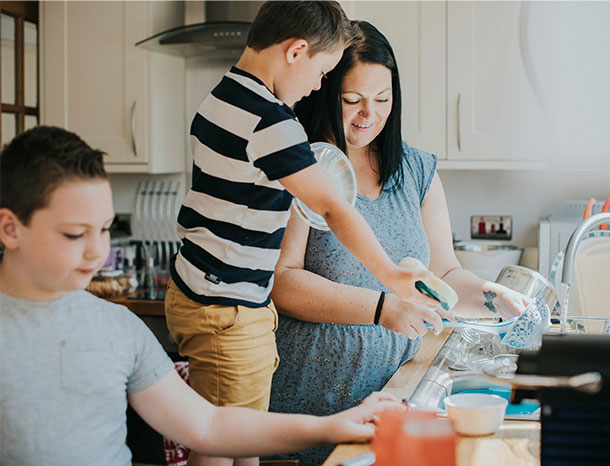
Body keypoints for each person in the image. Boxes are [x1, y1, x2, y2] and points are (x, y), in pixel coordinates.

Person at [0, 126, 403, 466]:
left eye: (105, 229)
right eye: (75, 234)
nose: (98, 252)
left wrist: (331, 425)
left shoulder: (118, 327)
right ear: (10, 228)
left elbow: (208, 425)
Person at [164, 3, 439, 466]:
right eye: (323, 72)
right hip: (229, 310)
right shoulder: (273, 122)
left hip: (198, 295)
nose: (318, 86)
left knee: (239, 442)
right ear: (296, 52)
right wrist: (390, 274)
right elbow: (332, 206)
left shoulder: (222, 96)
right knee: (223, 443)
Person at [268, 21, 532, 465]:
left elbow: (444, 274)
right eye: (352, 100)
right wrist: (382, 307)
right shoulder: (306, 165)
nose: (368, 114)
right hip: (314, 396)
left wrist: (490, 294)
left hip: (397, 392)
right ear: (324, 91)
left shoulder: (416, 171)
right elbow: (284, 281)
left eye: (382, 100)